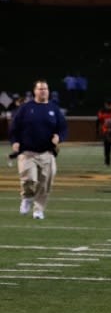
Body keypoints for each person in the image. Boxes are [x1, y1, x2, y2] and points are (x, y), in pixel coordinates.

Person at [8, 79, 68, 219]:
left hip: (47, 153)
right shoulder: (26, 108)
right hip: (27, 152)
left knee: (45, 184)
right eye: (40, 89)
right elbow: (14, 127)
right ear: (34, 91)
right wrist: (15, 141)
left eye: (45, 89)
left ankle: (38, 210)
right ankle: (27, 197)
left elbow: (63, 128)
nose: (43, 91)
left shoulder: (54, 109)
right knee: (29, 180)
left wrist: (59, 137)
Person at [96, 99, 111, 166]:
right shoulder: (102, 111)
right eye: (108, 104)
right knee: (107, 146)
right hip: (106, 130)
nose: (110, 106)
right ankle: (107, 162)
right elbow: (98, 121)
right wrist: (97, 130)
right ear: (106, 105)